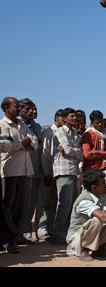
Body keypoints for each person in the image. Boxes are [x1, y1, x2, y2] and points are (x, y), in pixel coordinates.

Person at [0, 97, 38, 253]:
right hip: (9, 171)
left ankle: (11, 238)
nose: (18, 109)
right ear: (6, 108)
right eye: (16, 106)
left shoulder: (22, 124)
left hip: (23, 170)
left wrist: (20, 144)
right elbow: (4, 145)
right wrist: (22, 143)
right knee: (7, 207)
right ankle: (7, 240)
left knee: (18, 207)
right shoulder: (2, 125)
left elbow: (35, 142)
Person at [51, 107, 83, 244]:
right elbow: (70, 150)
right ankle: (57, 235)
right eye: (72, 116)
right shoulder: (60, 131)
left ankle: (67, 234)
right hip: (63, 170)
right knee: (64, 204)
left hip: (73, 171)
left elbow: (76, 152)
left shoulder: (75, 133)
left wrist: (73, 151)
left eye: (75, 116)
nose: (74, 118)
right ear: (64, 118)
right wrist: (76, 151)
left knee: (72, 205)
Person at [17, 98, 43, 244]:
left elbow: (36, 146)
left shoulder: (37, 127)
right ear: (20, 110)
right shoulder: (17, 125)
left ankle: (25, 232)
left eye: (33, 109)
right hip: (16, 170)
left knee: (30, 205)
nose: (32, 111)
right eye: (28, 109)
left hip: (33, 170)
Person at [36, 109, 64, 241]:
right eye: (63, 118)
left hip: (58, 173)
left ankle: (51, 228)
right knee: (43, 203)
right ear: (57, 117)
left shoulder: (63, 132)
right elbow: (45, 154)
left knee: (53, 202)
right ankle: (41, 230)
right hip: (48, 173)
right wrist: (46, 173)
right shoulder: (49, 132)